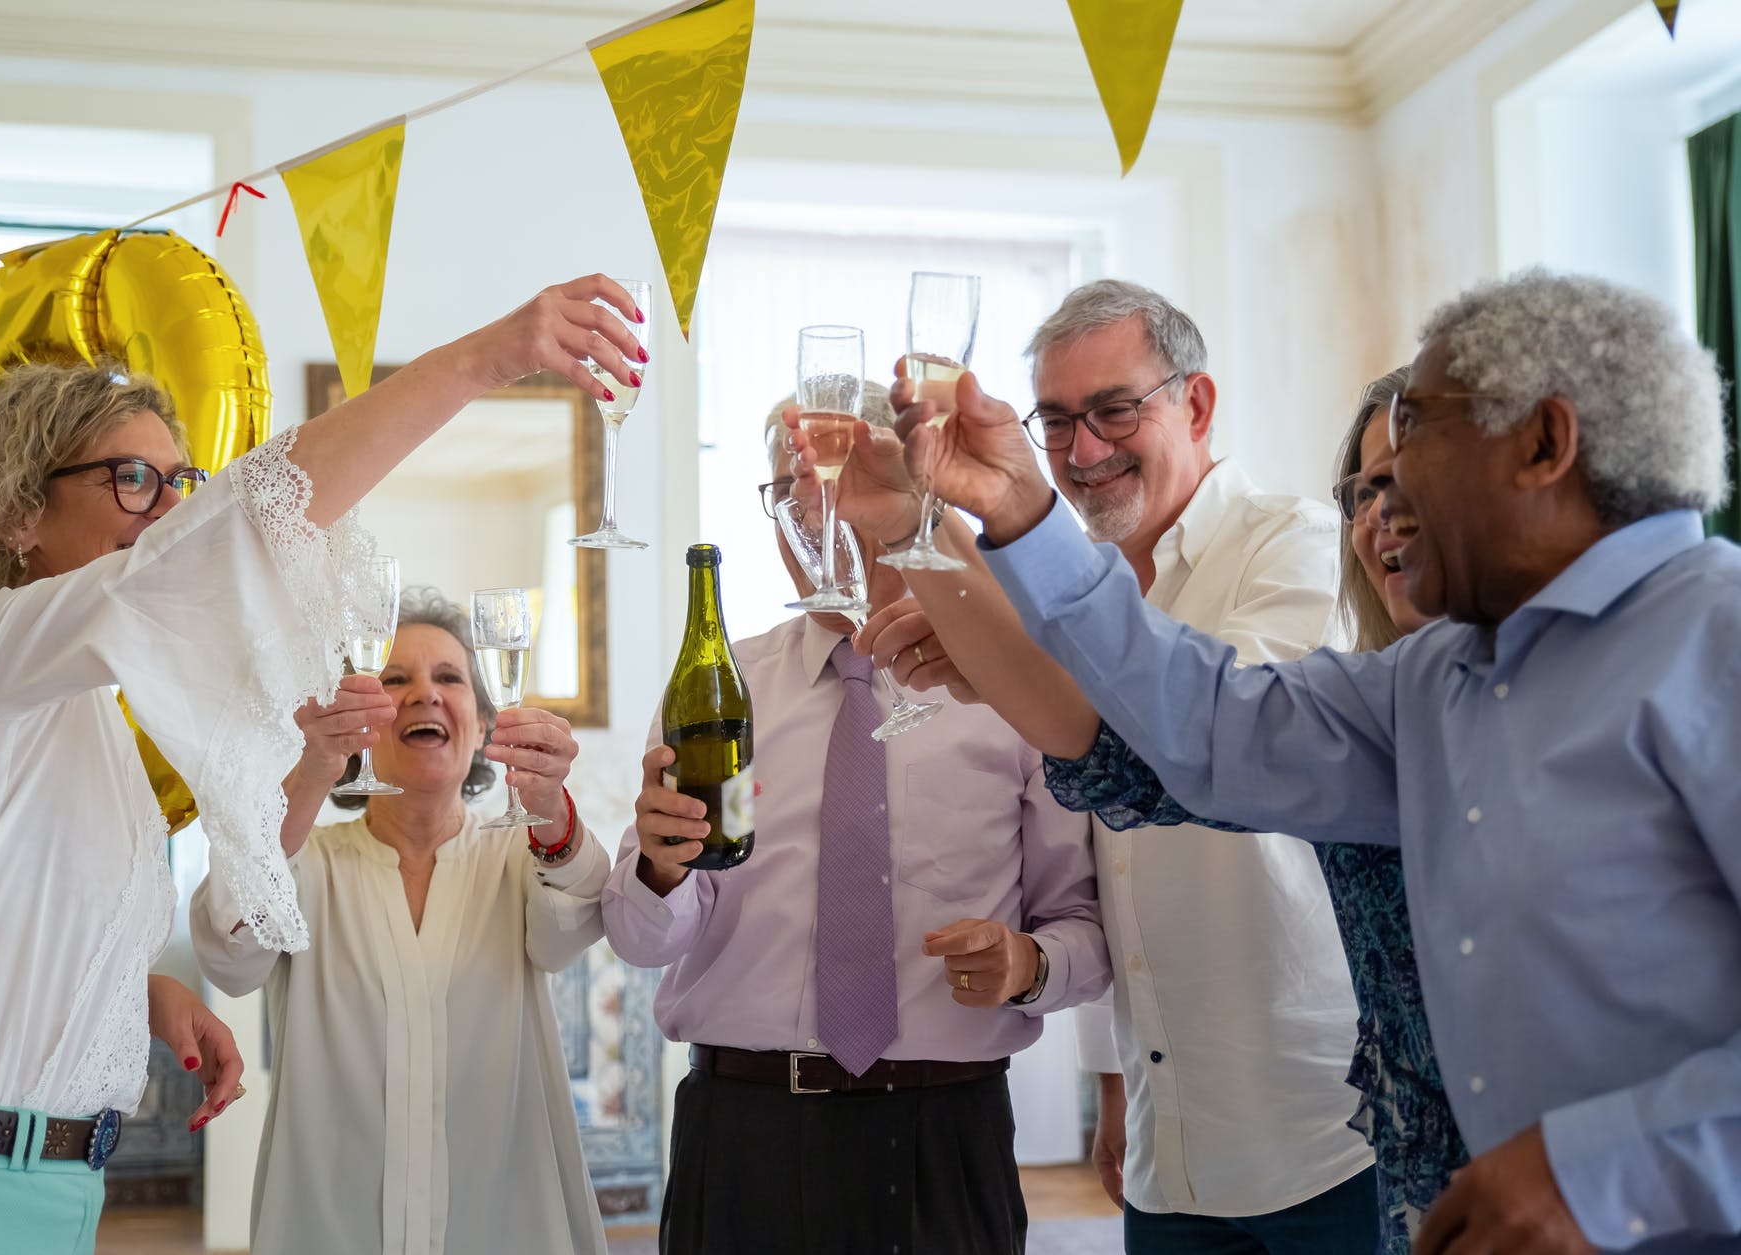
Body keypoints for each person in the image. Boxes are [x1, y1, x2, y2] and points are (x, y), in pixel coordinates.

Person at [905, 268, 1741, 1254]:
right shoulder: (1430, 678)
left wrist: (1596, 1167)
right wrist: (1017, 506)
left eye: (1416, 425)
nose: (1385, 493)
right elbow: (1207, 722)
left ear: (1542, 444)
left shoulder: (1715, 642)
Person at [0, 274, 642, 1254]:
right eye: (132, 478)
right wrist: (486, 357)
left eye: (178, 483)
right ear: (20, 511)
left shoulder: (91, 722)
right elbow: (223, 546)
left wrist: (142, 996)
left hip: (55, 1186)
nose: (167, 514)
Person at [792, 281, 1378, 1254]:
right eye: (1056, 422)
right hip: (1169, 1143)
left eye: (1113, 410)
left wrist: (1005, 651)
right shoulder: (1050, 595)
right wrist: (1113, 1082)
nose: (1083, 449)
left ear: (1196, 404)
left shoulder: (1293, 547)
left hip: (1326, 1134)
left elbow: (1185, 747)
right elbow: (1106, 875)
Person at [868, 367, 1464, 1255]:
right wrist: (926, 533)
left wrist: (1003, 518)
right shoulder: (1372, 705)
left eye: (1114, 409)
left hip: (1362, 1151)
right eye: (1367, 490)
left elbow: (1183, 727)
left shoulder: (1287, 551)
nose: (1385, 515)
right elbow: (1150, 757)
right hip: (1268, 1151)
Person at [601, 384, 1108, 1255]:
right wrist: (660, 868)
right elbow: (643, 939)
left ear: (904, 493)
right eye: (785, 488)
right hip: (742, 1136)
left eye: (831, 479)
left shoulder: (1010, 688)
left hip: (944, 1137)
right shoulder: (722, 691)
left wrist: (1029, 964)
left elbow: (1088, 929)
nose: (808, 507)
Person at [192, 586, 609, 1255]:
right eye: (394, 680)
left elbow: (573, 926)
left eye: (450, 677)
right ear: (358, 719)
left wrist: (550, 806)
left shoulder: (519, 854)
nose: (425, 694)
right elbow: (228, 955)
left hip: (503, 1229)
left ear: (483, 723)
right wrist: (314, 768)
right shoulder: (308, 863)